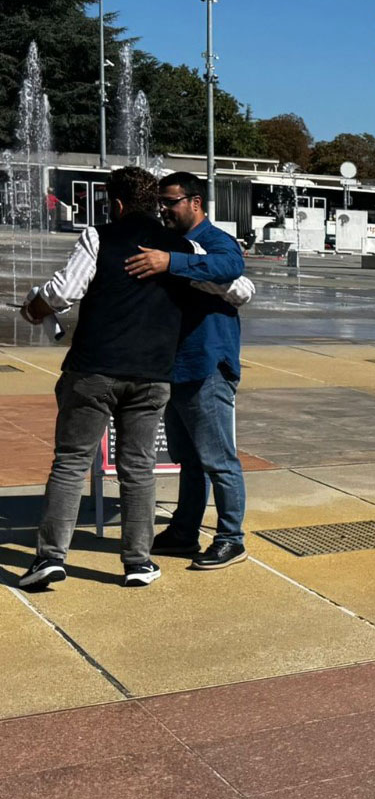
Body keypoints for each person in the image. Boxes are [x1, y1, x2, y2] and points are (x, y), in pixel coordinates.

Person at [17, 168, 202, 590]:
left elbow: (64, 291)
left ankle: (50, 557)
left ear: (116, 203)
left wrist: (34, 308)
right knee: (138, 468)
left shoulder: (99, 236)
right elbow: (233, 286)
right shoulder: (184, 248)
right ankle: (138, 561)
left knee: (70, 462)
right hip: (152, 373)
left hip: (95, 369)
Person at [132, 171, 256, 569]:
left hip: (207, 366)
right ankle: (184, 531)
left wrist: (171, 261)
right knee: (190, 458)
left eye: (171, 202)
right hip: (177, 366)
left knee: (219, 459)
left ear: (195, 203)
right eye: (161, 203)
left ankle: (231, 539)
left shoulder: (214, 240)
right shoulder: (171, 240)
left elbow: (232, 266)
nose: (164, 210)